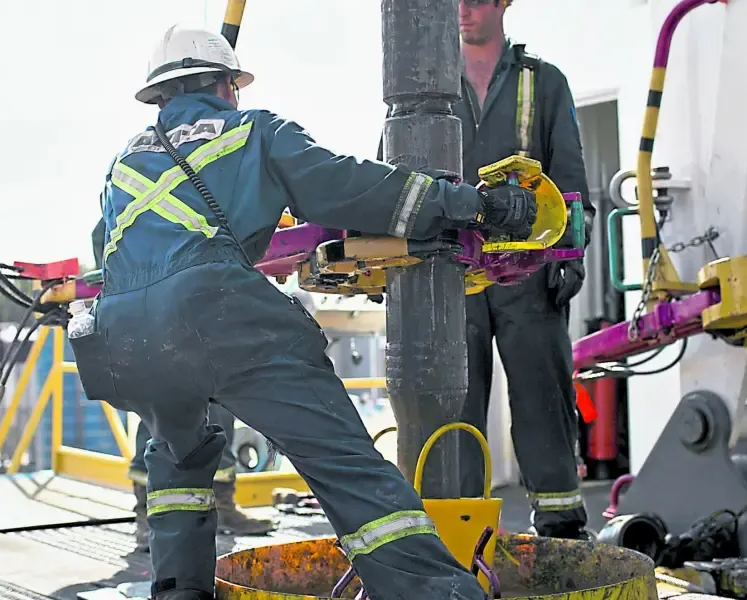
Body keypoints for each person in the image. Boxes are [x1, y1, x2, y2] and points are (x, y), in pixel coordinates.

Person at [73, 25, 537, 600]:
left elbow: (109, 251)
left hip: (124, 339)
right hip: (219, 316)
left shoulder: (124, 163)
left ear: (159, 97)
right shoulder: (254, 131)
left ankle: (177, 593)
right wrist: (472, 205)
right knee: (345, 466)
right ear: (226, 86)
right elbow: (353, 187)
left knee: (176, 466)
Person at [456, 0, 594, 540]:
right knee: (452, 406)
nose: (462, 10)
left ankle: (561, 529)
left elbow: (570, 173)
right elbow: (394, 171)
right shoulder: (424, 86)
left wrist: (570, 253)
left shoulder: (544, 82)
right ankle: (456, 529)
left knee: (543, 398)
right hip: (451, 273)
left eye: (474, 0)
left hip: (529, 269)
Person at [88, 227, 278, 555]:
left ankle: (223, 506)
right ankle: (148, 518)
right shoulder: (129, 206)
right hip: (155, 314)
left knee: (219, 410)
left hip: (207, 310)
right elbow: (103, 238)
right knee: (160, 418)